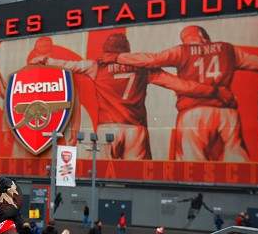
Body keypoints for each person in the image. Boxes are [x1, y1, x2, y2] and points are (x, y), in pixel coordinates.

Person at [32, 33, 223, 159]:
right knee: (137, 174)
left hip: (106, 128)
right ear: (127, 50)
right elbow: (180, 85)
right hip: (136, 129)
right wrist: (212, 91)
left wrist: (46, 60)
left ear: (107, 50)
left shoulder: (96, 66)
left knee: (99, 176)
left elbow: (70, 65)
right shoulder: (144, 69)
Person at [107, 25, 258, 161]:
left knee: (191, 162)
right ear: (203, 35)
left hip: (192, 112)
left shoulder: (182, 51)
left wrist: (118, 58)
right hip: (226, 112)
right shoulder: (228, 49)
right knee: (235, 154)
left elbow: (152, 59)